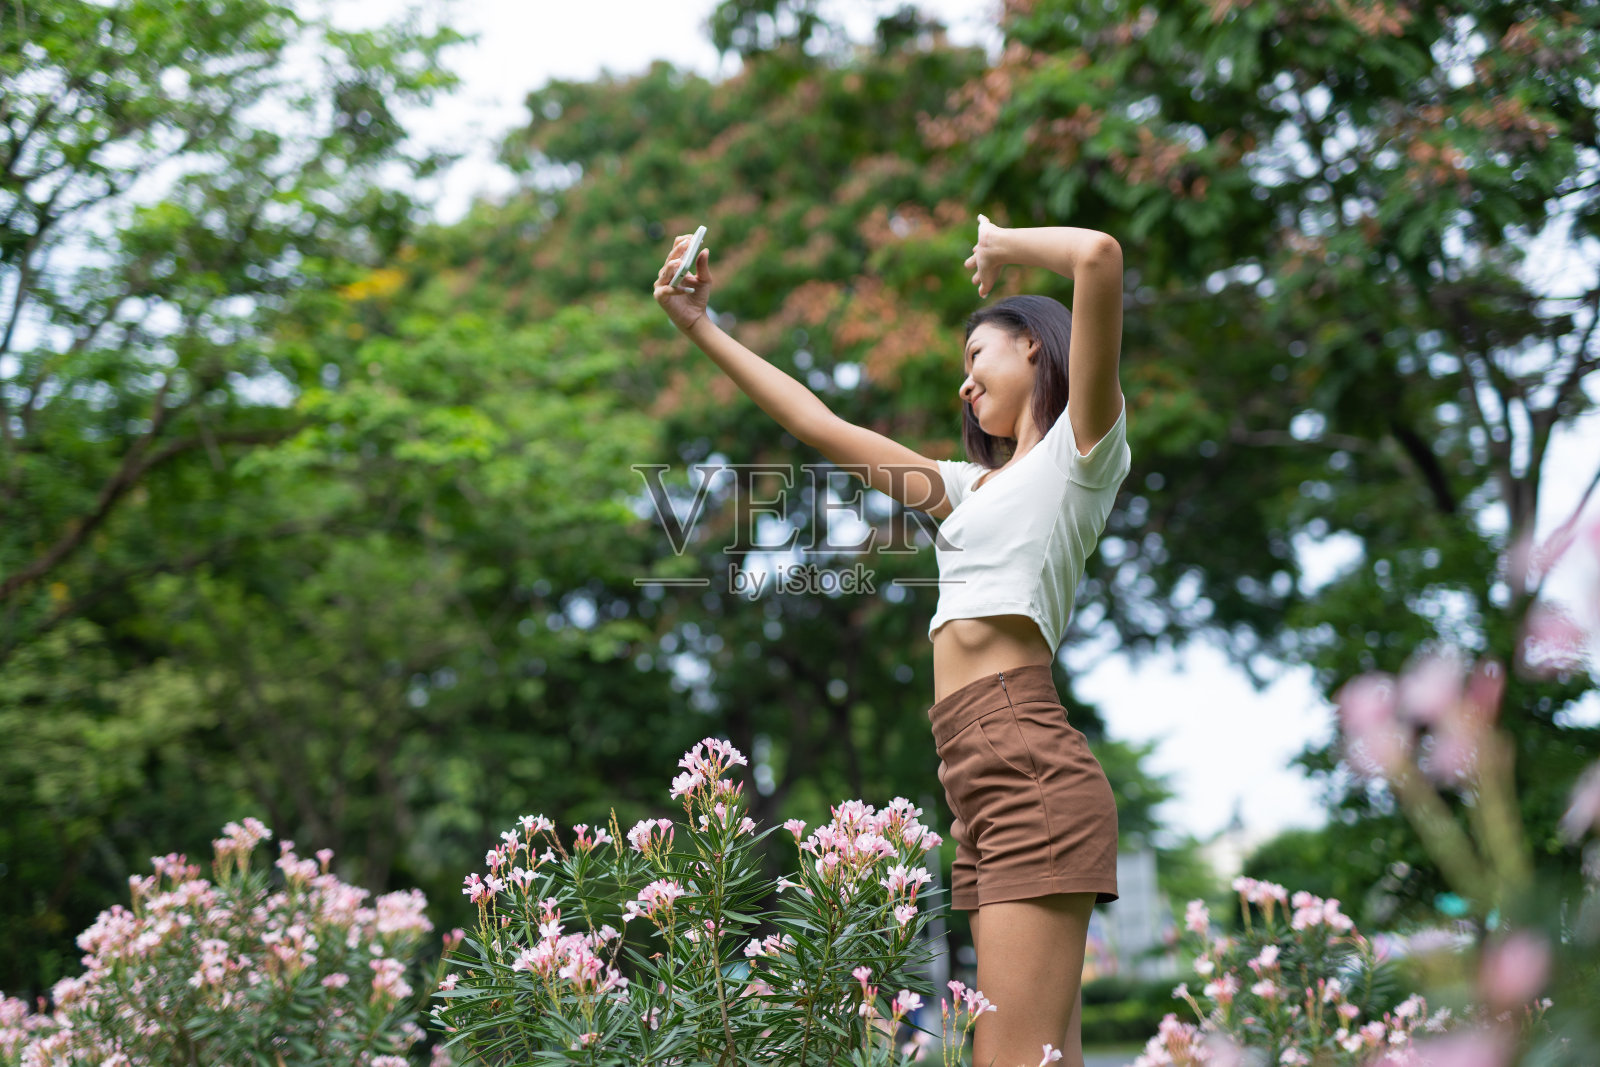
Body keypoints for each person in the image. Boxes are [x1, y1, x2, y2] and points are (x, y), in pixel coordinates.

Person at [652, 213, 1130, 1067]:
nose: (964, 386)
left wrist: (1005, 245)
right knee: (1044, 1060)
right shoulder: (963, 488)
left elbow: (1097, 255)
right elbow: (819, 423)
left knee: (1009, 1060)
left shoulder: (1080, 454)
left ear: (1033, 348)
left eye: (975, 358)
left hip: (1026, 763)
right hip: (974, 775)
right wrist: (697, 326)